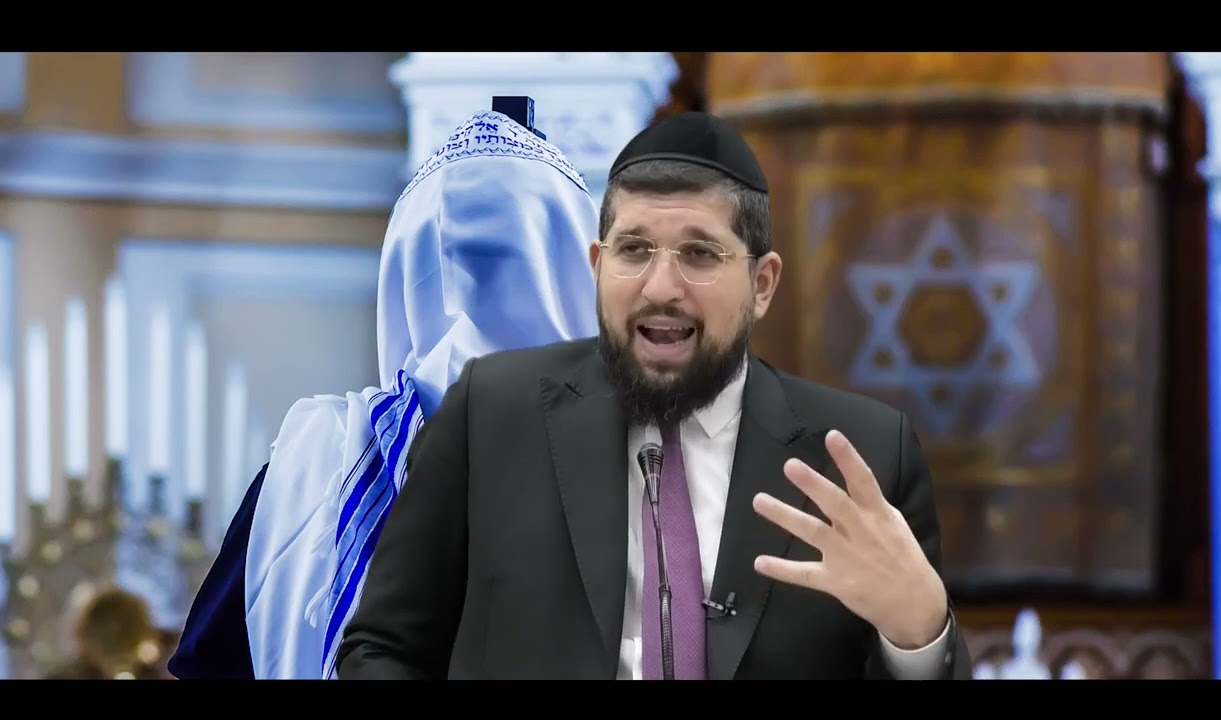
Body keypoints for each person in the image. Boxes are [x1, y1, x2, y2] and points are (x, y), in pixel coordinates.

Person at [337, 111, 973, 680]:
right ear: (597, 266)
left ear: (762, 284)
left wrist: (918, 637)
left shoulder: (862, 457)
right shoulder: (489, 415)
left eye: (699, 254)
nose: (661, 287)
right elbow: (384, 648)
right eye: (634, 250)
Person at [166, 109, 601, 679]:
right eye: (459, 259)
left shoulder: (313, 468)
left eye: (496, 260)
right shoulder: (315, 461)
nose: (471, 305)